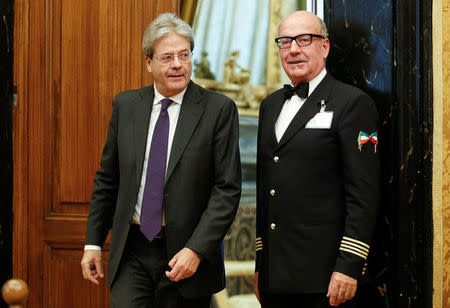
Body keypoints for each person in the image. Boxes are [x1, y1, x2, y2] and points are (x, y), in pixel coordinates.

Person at [80, 13, 241, 308]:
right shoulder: (126, 105)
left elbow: (226, 189)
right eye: (167, 57)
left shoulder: (218, 110)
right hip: (132, 249)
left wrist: (196, 249)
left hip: (186, 256)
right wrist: (93, 242)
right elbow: (108, 178)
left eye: (184, 55)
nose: (178, 64)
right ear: (148, 63)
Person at [253, 11, 380, 308]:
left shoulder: (352, 103)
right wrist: (261, 264)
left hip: (324, 279)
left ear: (324, 47)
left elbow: (364, 194)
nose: (294, 49)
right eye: (285, 42)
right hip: (275, 277)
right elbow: (265, 189)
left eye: (304, 39)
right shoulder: (269, 106)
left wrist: (349, 265)